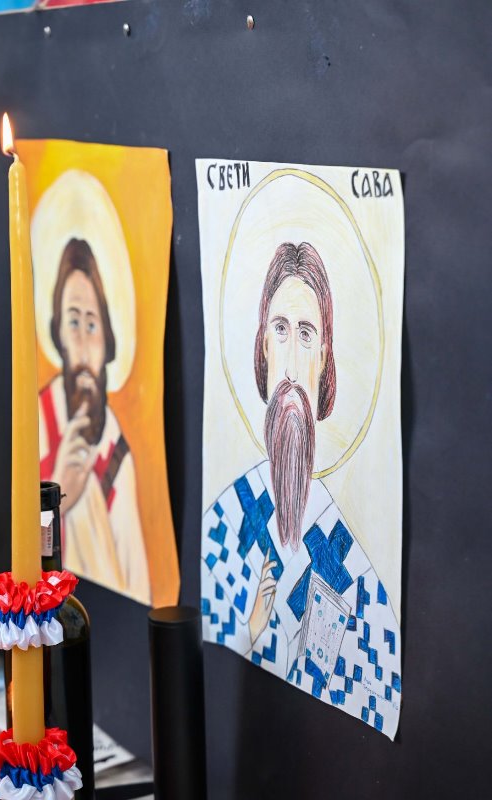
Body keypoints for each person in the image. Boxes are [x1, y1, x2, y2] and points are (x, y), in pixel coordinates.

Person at [201, 242, 401, 738]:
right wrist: (251, 630)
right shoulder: (227, 517)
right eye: (281, 329)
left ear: (325, 358)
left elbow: (374, 688)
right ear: (263, 348)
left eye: (307, 335)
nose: (291, 367)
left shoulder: (352, 569)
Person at [39, 238, 151, 604]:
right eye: (73, 322)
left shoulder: (117, 458)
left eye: (92, 325)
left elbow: (135, 580)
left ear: (107, 342)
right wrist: (59, 497)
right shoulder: (39, 422)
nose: (85, 348)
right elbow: (20, 555)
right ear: (58, 333)